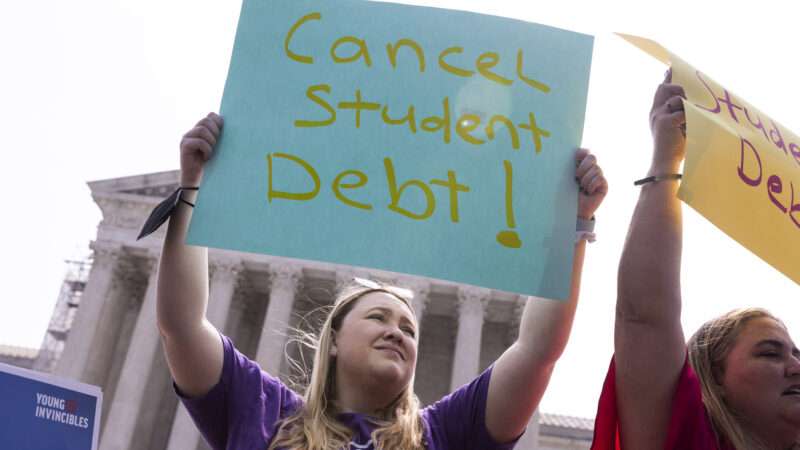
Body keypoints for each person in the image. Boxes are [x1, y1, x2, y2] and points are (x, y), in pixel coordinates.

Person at [156, 111, 608, 450]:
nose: (397, 331)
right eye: (378, 316)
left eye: (409, 329)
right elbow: (182, 325)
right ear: (332, 338)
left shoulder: (444, 434)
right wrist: (192, 187)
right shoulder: (261, 411)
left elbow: (537, 351)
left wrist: (576, 226)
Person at [590, 71, 800, 450]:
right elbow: (644, 317)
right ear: (714, 378)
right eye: (770, 352)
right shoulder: (689, 441)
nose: (797, 368)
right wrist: (666, 160)